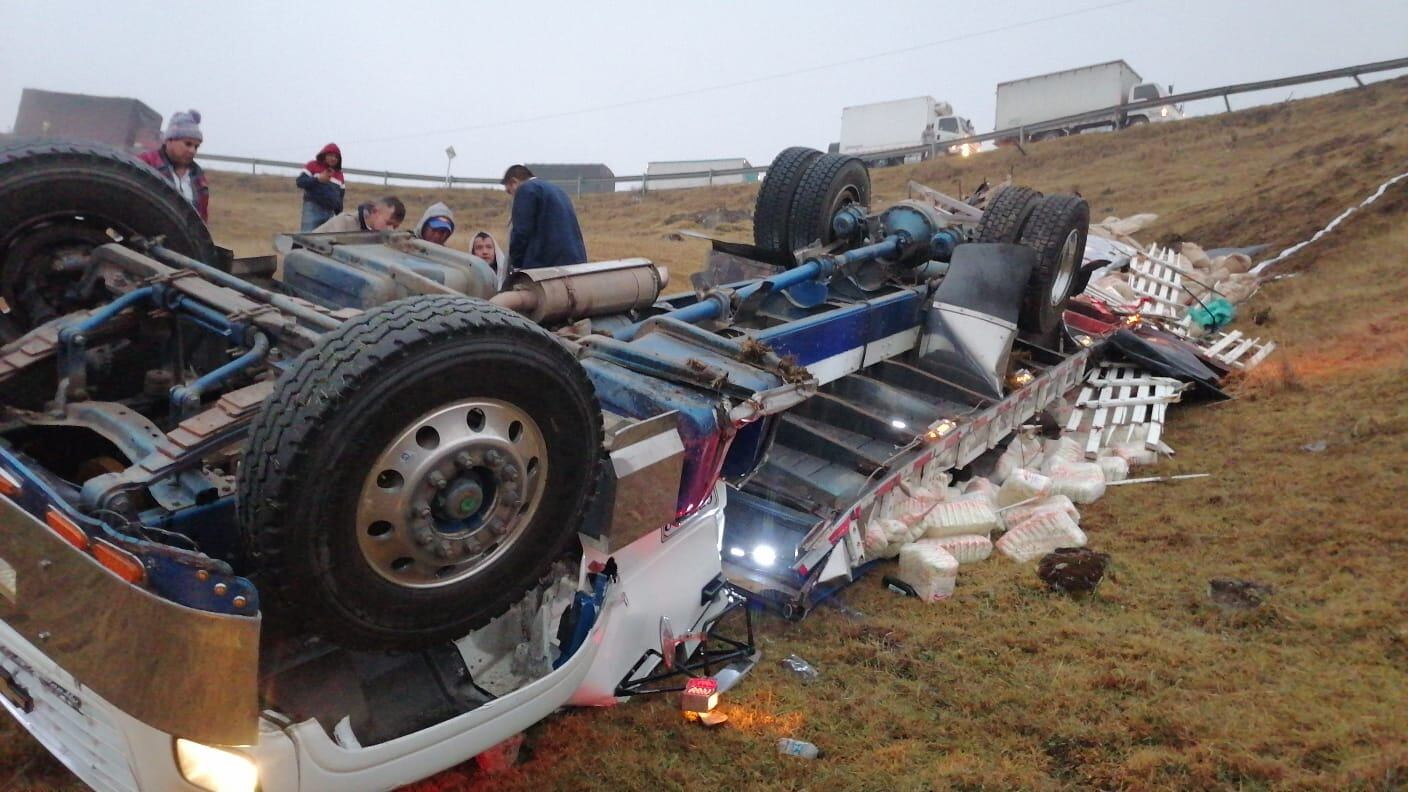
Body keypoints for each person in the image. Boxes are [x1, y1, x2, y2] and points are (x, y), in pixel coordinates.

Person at [501, 165, 587, 269]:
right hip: (575, 262)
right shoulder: (559, 191)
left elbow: (521, 232)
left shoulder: (525, 189)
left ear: (514, 182)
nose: (512, 196)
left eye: (509, 191)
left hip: (545, 265)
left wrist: (515, 263)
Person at [138, 109, 209, 221]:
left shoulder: (200, 179)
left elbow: (202, 221)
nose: (192, 150)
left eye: (196, 146)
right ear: (169, 140)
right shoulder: (145, 164)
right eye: (188, 144)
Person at [295, 143, 345, 231]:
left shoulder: (339, 175)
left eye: (336, 157)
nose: (333, 158)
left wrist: (338, 213)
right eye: (330, 155)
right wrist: (317, 179)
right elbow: (300, 182)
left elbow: (341, 196)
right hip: (312, 209)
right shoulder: (312, 165)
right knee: (307, 239)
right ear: (324, 155)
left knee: (326, 241)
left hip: (330, 213)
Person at [313, 196, 405, 233]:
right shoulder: (344, 222)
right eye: (388, 223)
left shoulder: (378, 233)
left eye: (395, 227)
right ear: (375, 212)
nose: (390, 229)